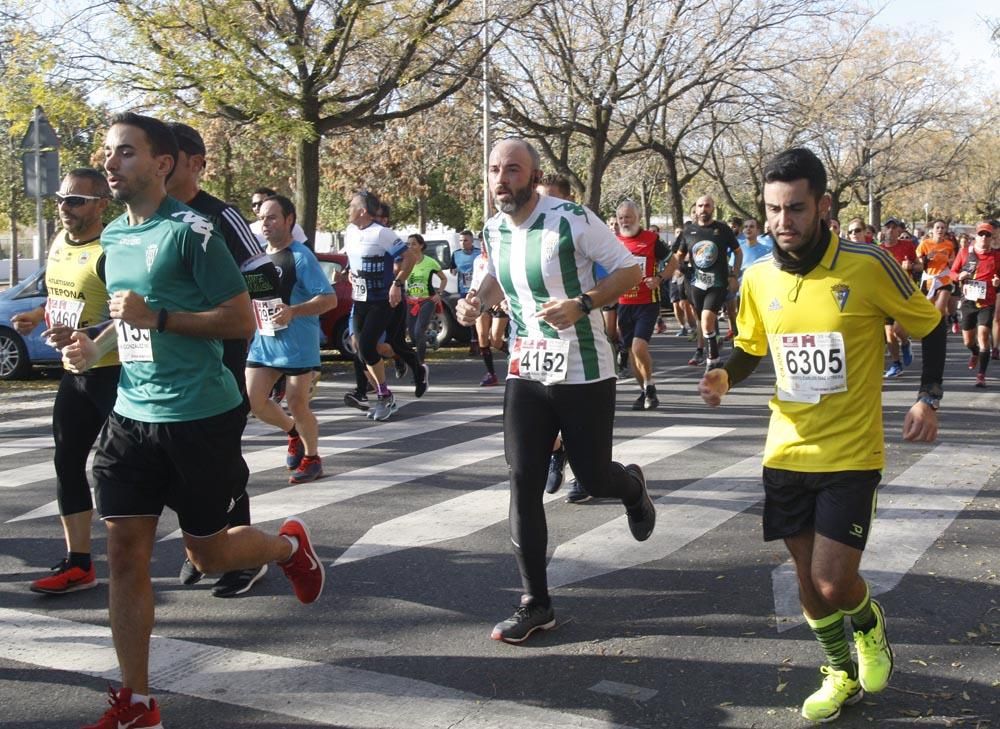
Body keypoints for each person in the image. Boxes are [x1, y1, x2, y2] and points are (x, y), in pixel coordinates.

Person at [62, 112, 326, 729]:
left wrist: (160, 318)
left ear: (162, 164)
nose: (111, 162)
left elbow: (240, 320)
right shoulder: (114, 242)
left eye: (126, 152)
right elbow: (126, 324)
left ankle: (289, 547)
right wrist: (91, 348)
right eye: (108, 152)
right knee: (125, 552)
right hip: (132, 414)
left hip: (199, 415)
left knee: (206, 555)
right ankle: (138, 701)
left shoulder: (195, 232)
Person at [698, 147, 945, 723]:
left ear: (824, 206)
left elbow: (929, 327)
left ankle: (871, 627)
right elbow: (752, 348)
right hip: (786, 448)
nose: (783, 223)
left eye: (796, 209)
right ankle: (839, 672)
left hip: (851, 453)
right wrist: (724, 375)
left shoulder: (867, 264)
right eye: (774, 210)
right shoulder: (758, 277)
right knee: (807, 581)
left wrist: (928, 397)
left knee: (834, 582)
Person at [457, 138, 655, 644]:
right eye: (495, 170)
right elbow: (499, 282)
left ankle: (631, 487)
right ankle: (535, 603)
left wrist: (583, 304)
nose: (502, 179)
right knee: (522, 478)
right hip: (527, 369)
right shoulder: (493, 228)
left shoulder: (572, 218)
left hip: (583, 370)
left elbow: (631, 272)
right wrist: (475, 302)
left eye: (514, 170)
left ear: (533, 174)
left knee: (593, 474)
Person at [165, 121, 282, 597]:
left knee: (219, 459)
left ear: (194, 164)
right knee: (169, 459)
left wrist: (261, 324)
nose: (160, 164)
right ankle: (204, 544)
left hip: (221, 358)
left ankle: (243, 555)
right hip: (164, 362)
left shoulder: (220, 215)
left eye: (169, 156)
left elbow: (262, 273)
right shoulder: (150, 216)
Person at [12, 169, 117, 595]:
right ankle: (79, 563)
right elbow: (62, 296)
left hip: (116, 374)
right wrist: (38, 316)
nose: (65, 208)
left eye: (76, 200)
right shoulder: (58, 243)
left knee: (137, 469)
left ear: (100, 204)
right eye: (61, 199)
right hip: (75, 375)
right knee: (66, 461)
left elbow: (135, 314)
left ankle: (206, 539)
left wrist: (90, 338)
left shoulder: (111, 250)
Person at [245, 195, 337, 483]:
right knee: (254, 400)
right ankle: (292, 432)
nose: (266, 223)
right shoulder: (255, 257)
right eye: (262, 218)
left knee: (298, 404)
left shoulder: (300, 256)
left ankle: (312, 458)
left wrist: (294, 311)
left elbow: (329, 299)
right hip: (264, 342)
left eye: (272, 217)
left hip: (297, 345)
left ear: (289, 220)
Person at [343, 190, 419, 421]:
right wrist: (347, 273)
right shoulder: (349, 232)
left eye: (351, 206)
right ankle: (383, 394)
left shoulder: (382, 233)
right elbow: (353, 259)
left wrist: (397, 284)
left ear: (363, 211)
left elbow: (410, 258)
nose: (348, 209)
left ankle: (384, 396)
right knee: (358, 347)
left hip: (381, 301)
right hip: (360, 300)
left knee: (368, 347)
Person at [615, 199, 672, 410]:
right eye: (621, 218)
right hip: (624, 302)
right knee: (631, 352)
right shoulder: (613, 241)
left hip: (648, 302)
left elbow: (672, 261)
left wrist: (659, 278)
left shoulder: (651, 239)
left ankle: (650, 386)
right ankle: (645, 391)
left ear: (638, 218)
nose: (624, 221)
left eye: (628, 217)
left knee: (639, 346)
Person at [674, 195, 742, 370]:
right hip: (696, 283)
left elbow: (738, 252)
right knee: (702, 322)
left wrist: (733, 274)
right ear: (696, 209)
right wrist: (680, 268)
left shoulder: (722, 229)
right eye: (700, 206)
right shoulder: (688, 231)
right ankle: (714, 357)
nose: (704, 209)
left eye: (707, 206)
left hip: (718, 283)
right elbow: (679, 254)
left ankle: (712, 359)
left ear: (713, 208)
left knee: (706, 320)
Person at [951, 221, 999, 387]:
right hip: (968, 301)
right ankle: (975, 352)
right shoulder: (965, 253)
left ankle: (981, 375)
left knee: (984, 336)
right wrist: (959, 276)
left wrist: (997, 282)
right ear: (976, 236)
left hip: (987, 301)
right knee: (968, 341)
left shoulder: (997, 255)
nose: (984, 238)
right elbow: (952, 273)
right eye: (981, 234)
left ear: (992, 238)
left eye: (987, 235)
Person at [879, 217, 921, 379]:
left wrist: (910, 266)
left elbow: (920, 265)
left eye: (894, 227)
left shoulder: (907, 245)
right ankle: (896, 364)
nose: (890, 230)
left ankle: (905, 343)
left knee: (898, 331)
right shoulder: (879, 250)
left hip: (903, 295)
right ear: (883, 231)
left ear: (899, 231)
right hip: (886, 296)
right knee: (889, 333)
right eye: (887, 227)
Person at [404, 233, 447, 363]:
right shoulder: (406, 261)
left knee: (418, 332)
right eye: (408, 244)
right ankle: (431, 336)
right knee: (412, 335)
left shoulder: (430, 262)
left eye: (414, 244)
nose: (410, 246)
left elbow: (443, 278)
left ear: (421, 246)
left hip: (427, 301)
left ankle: (420, 365)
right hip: (411, 301)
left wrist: (439, 293)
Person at [917, 219, 957, 328]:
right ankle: (932, 329)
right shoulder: (925, 243)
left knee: (940, 307)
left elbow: (953, 259)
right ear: (932, 230)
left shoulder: (949, 245)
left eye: (942, 228)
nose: (940, 230)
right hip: (929, 279)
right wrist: (926, 258)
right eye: (937, 227)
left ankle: (940, 328)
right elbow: (918, 261)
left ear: (946, 230)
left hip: (944, 278)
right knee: (929, 309)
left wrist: (951, 261)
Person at [451, 229, 481, 352]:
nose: (463, 243)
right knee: (469, 315)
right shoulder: (456, 254)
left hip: (478, 288)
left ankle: (481, 340)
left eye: (466, 240)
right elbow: (452, 269)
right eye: (461, 240)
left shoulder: (479, 253)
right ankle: (474, 342)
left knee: (480, 313)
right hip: (464, 289)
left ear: (472, 241)